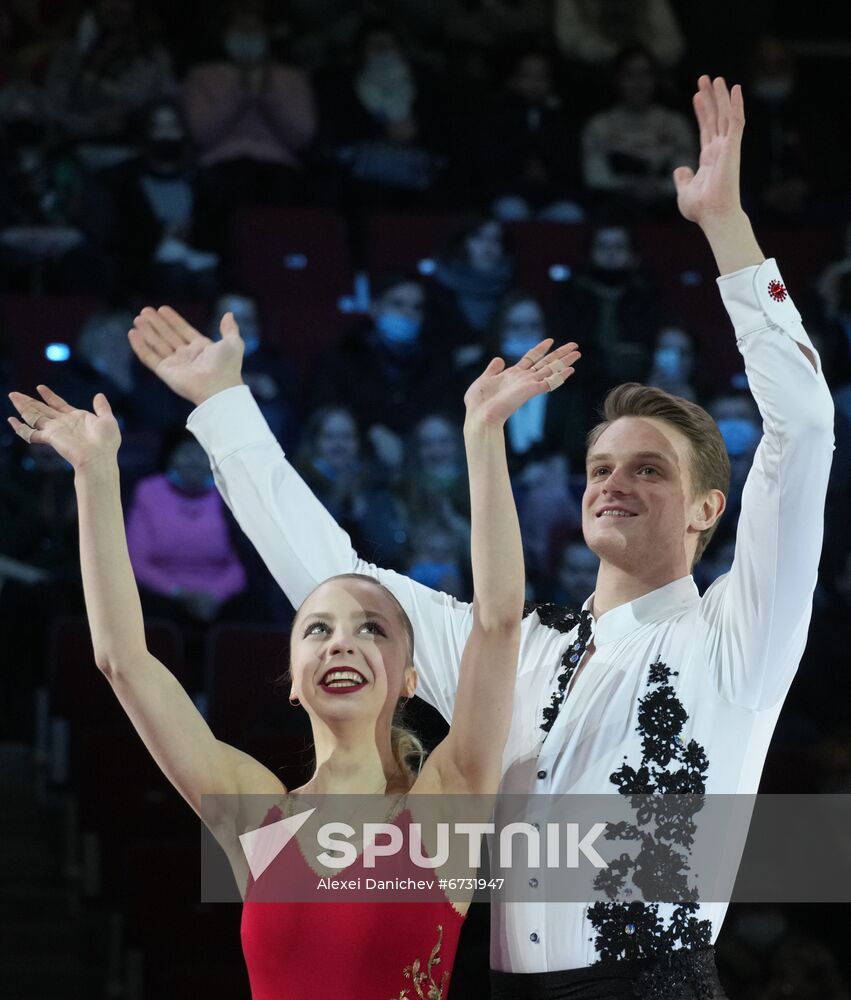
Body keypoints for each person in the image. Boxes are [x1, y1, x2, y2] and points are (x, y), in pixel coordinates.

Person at [128, 77, 834, 996]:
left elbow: (804, 427)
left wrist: (726, 233)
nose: (613, 483)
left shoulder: (740, 634)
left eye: (649, 469)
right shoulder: (520, 647)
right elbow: (341, 584)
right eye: (599, 467)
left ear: (707, 510)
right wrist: (225, 410)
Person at [9, 336, 580, 998]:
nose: (340, 644)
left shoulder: (447, 804)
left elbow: (496, 622)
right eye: (318, 630)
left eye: (370, 631)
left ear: (410, 678)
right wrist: (95, 474)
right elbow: (123, 662)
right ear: (295, 679)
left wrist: (483, 436)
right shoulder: (254, 816)